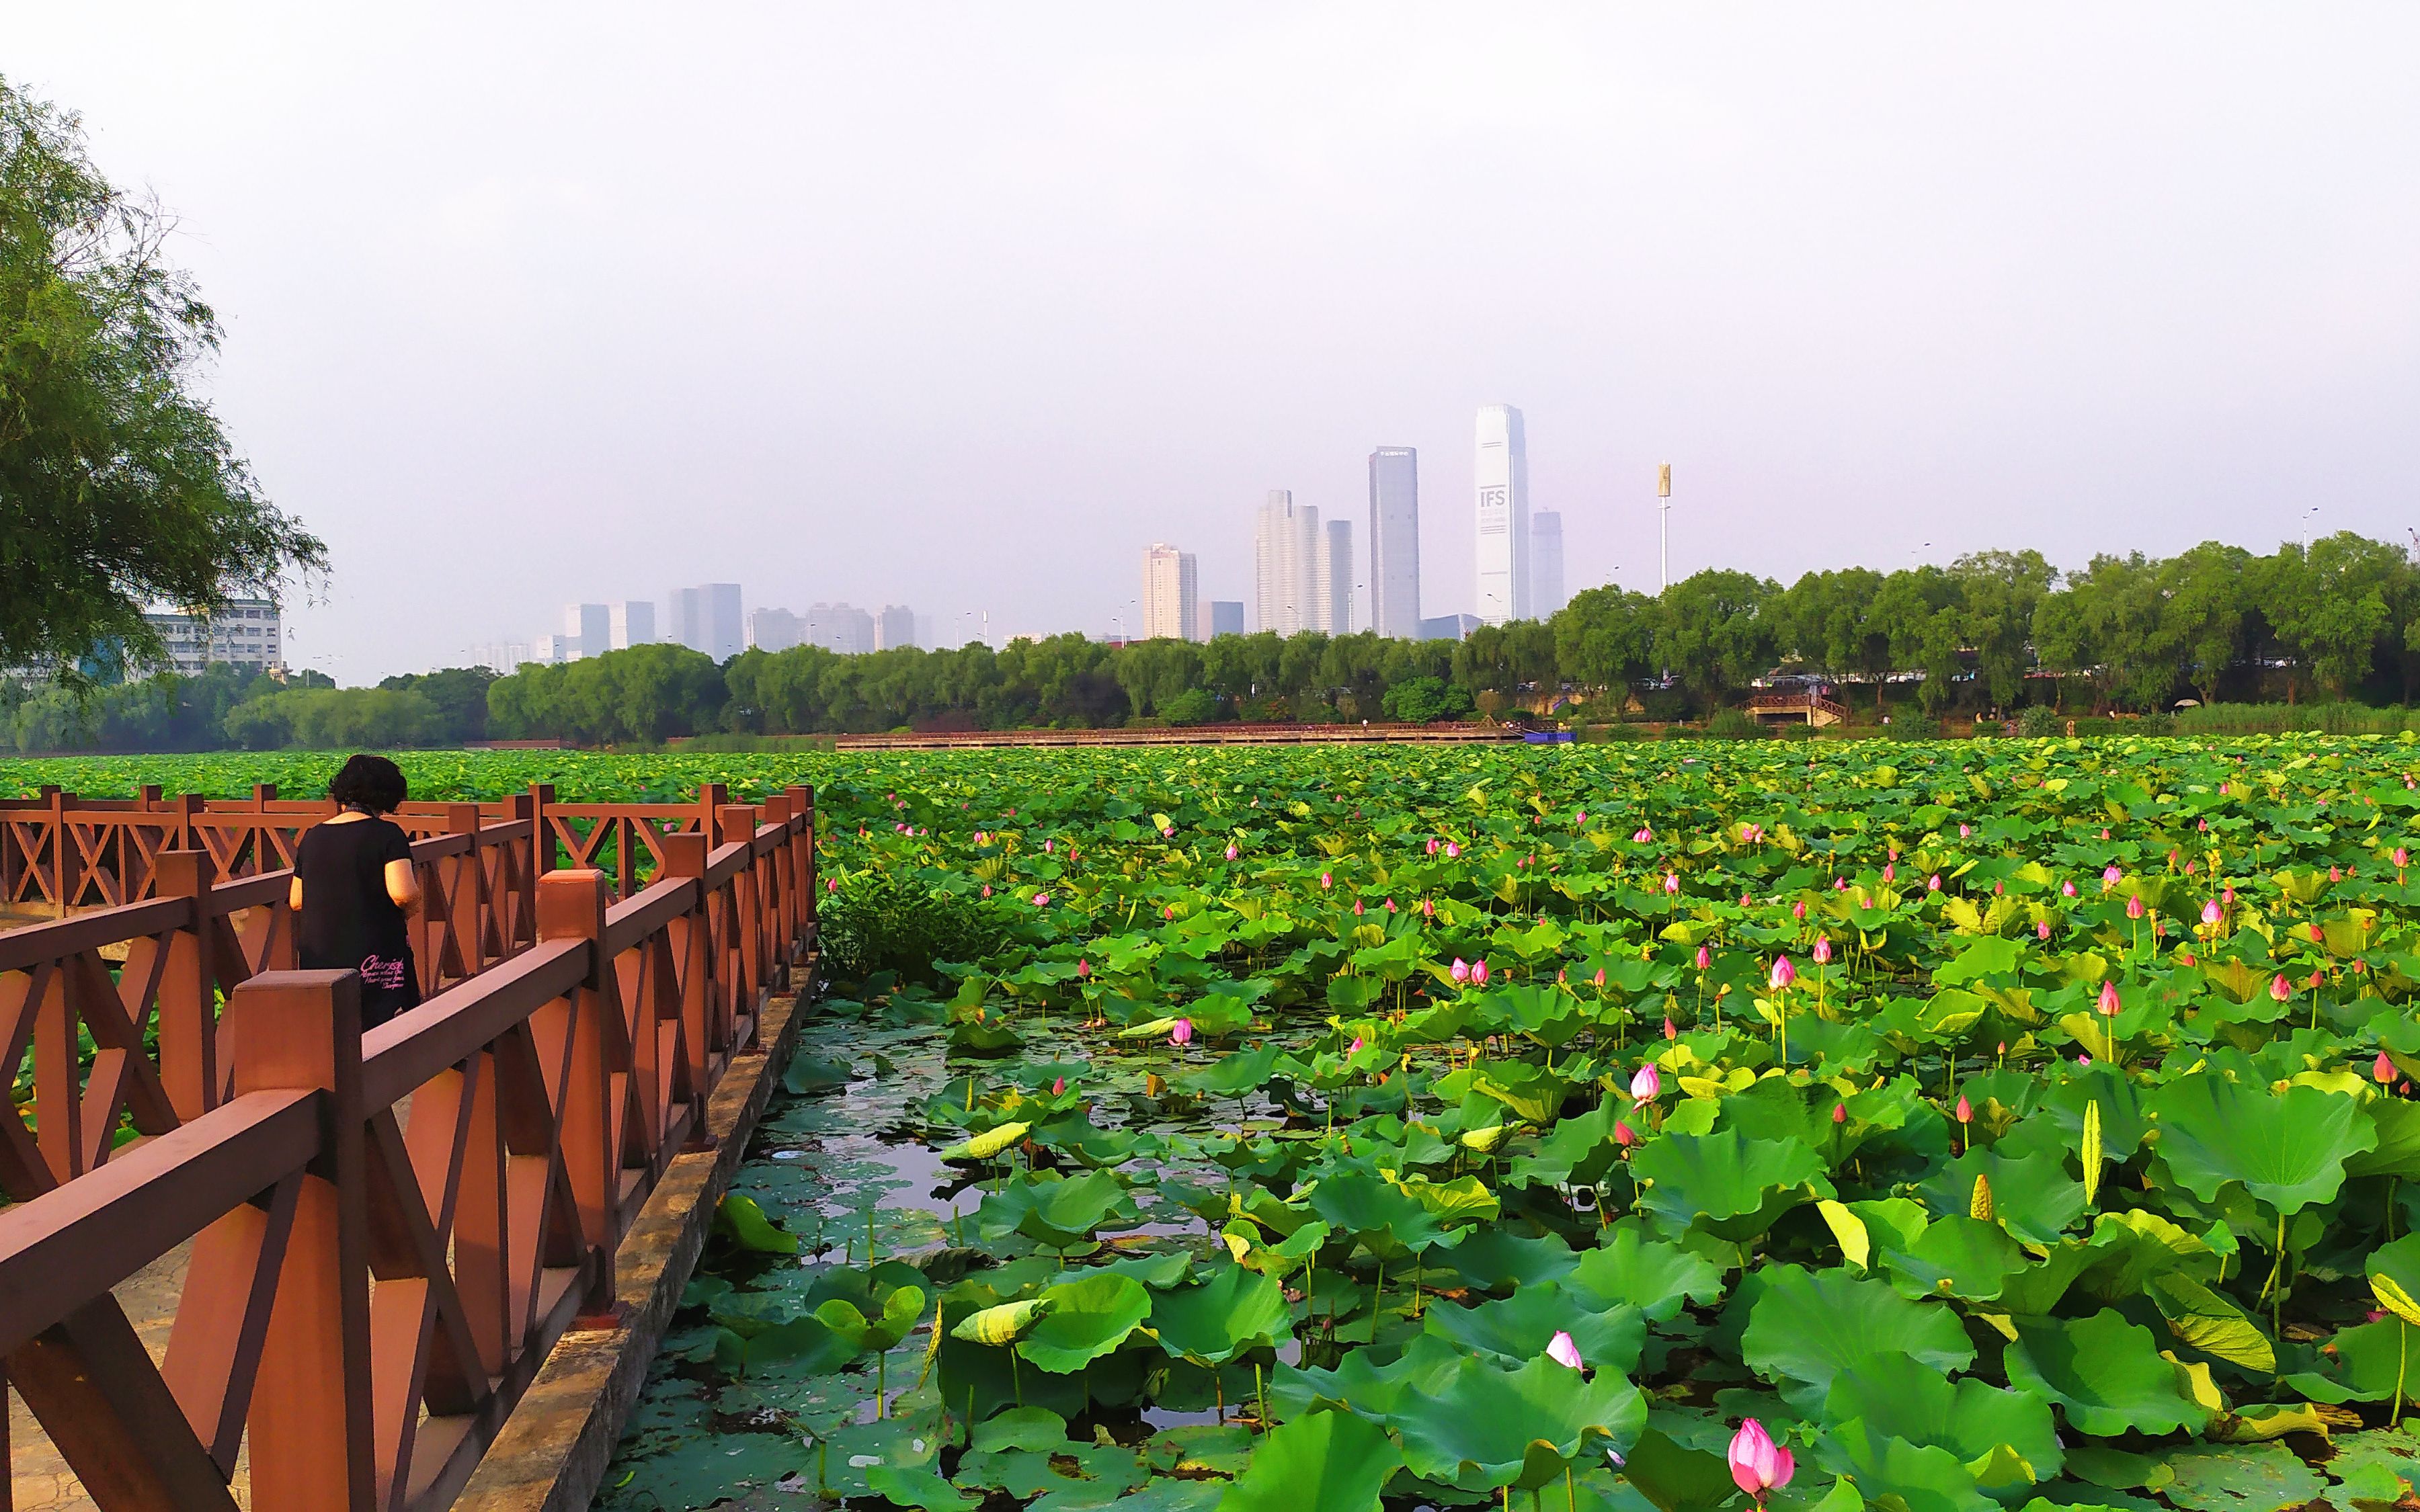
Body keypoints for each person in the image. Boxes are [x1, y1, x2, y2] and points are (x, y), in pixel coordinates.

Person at [290, 753, 424, 1028]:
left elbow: (296, 900)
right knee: (384, 1035)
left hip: (320, 957)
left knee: (331, 1032)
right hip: (374, 959)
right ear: (388, 796)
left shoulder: (313, 836)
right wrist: (412, 910)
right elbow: (403, 893)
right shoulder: (387, 835)